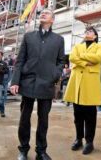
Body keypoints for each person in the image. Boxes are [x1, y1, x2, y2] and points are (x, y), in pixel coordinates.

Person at [10, 8, 65, 160]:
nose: (43, 13)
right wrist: (15, 81)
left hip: (46, 84)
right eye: (42, 13)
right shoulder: (28, 37)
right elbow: (20, 60)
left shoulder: (59, 39)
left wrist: (54, 76)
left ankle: (41, 151)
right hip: (27, 82)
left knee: (43, 119)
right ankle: (23, 149)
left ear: (52, 19)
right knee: (24, 118)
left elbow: (61, 62)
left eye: (47, 13)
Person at [64, 26, 101, 155]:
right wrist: (85, 62)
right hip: (77, 84)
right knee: (78, 115)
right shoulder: (77, 47)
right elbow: (71, 58)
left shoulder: (100, 47)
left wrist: (81, 57)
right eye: (86, 31)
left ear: (95, 36)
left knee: (90, 116)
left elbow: (97, 58)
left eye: (90, 31)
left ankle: (89, 141)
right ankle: (78, 139)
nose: (87, 32)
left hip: (90, 85)